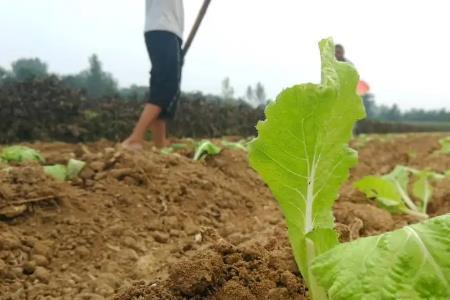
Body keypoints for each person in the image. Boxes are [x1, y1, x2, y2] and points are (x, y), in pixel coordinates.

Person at [122, 0, 184, 150]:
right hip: (163, 28)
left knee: (167, 89)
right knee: (165, 88)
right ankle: (134, 139)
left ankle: (160, 145)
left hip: (169, 29)